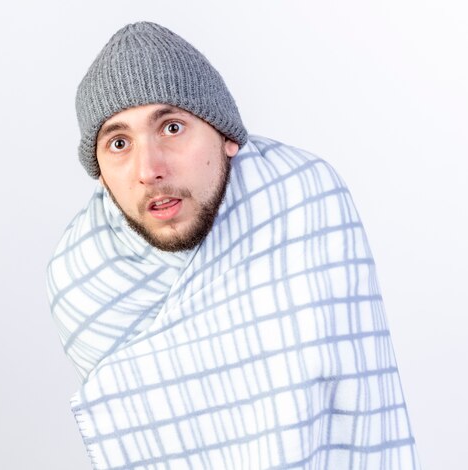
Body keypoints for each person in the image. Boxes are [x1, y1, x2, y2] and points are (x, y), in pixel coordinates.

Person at [46, 21, 419, 469]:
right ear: (101, 173)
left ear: (226, 137)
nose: (149, 169)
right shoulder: (83, 276)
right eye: (119, 141)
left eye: (171, 128)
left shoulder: (301, 201)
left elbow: (358, 401)